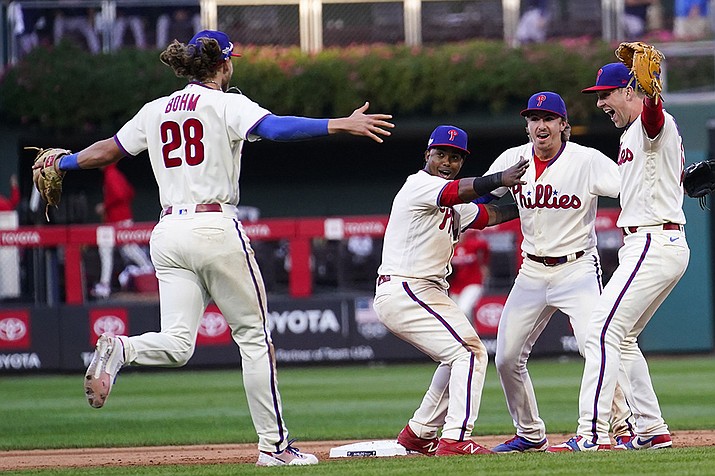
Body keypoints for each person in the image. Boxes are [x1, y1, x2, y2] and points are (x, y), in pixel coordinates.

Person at [39, 30, 393, 466]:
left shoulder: (154, 110)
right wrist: (339, 123)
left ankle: (120, 349)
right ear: (224, 64)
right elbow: (276, 128)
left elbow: (109, 151)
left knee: (178, 343)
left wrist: (63, 160)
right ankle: (275, 448)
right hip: (214, 224)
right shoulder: (227, 103)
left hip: (167, 232)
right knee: (255, 338)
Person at [548, 61, 689, 452]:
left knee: (599, 330)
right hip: (654, 243)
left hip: (652, 242)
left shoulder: (649, 122)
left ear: (631, 90)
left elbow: (655, 118)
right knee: (622, 339)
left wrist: (652, 92)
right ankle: (652, 429)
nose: (601, 104)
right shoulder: (635, 135)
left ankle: (590, 434)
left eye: (606, 95)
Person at [482, 92, 635, 453]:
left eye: (548, 118)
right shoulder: (514, 159)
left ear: (563, 125)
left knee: (594, 345)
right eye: (534, 118)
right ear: (527, 125)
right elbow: (484, 196)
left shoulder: (587, 160)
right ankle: (530, 434)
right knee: (505, 356)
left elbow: (630, 190)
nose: (541, 125)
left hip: (577, 267)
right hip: (531, 270)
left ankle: (624, 425)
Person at [374, 125, 529, 456]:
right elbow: (459, 191)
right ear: (427, 155)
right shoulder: (419, 185)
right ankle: (456, 438)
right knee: (470, 353)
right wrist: (502, 177)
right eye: (441, 154)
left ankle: (420, 432)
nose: (447, 161)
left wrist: (535, 199)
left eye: (455, 157)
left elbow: (490, 214)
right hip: (406, 287)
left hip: (423, 291)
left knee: (456, 356)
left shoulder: (454, 204)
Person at [91, 163, 153, 299]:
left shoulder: (111, 173)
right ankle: (105, 284)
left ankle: (148, 269)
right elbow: (130, 192)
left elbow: (120, 194)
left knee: (126, 248)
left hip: (119, 220)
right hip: (118, 220)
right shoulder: (115, 173)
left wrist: (105, 206)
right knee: (111, 249)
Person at [448, 229, 490, 322]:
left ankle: (470, 334)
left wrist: (484, 264)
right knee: (454, 315)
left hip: (473, 283)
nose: (459, 235)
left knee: (464, 309)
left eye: (461, 232)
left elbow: (486, 247)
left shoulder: (473, 244)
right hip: (455, 287)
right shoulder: (449, 249)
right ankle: (471, 333)